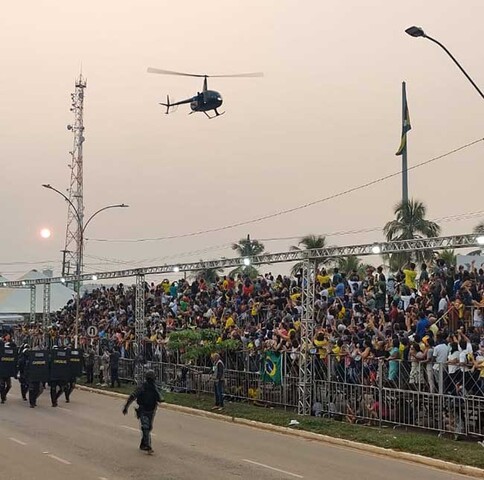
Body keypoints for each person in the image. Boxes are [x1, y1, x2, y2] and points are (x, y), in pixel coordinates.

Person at [122, 370, 163, 454]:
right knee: (145, 427)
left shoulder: (154, 388)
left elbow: (160, 398)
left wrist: (158, 394)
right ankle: (148, 445)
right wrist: (126, 407)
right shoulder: (142, 387)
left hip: (151, 410)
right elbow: (132, 396)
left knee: (149, 427)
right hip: (143, 409)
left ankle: (143, 444)